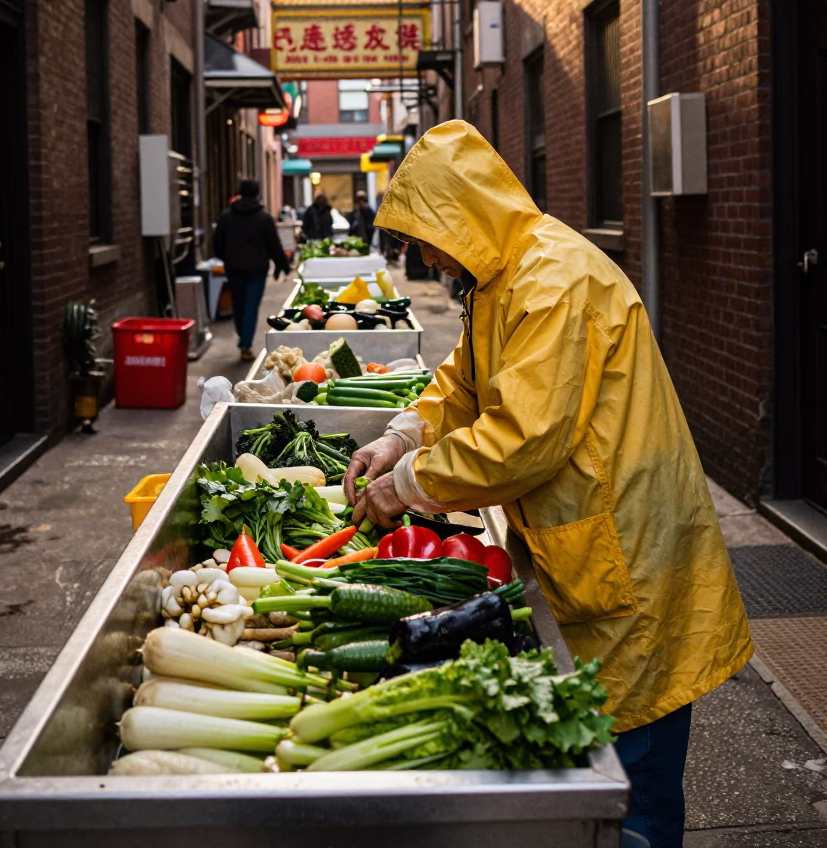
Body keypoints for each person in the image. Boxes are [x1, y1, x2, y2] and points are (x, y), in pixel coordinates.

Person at [344, 121, 752, 848]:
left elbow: (522, 441)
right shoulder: (502, 276)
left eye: (427, 237)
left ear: (460, 217)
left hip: (633, 550)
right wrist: (403, 432)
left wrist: (406, 485)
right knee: (616, 761)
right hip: (598, 543)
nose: (427, 256)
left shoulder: (553, 279)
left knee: (635, 786)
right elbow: (465, 389)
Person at [212, 179, 290, 361]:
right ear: (257, 193)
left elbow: (217, 244)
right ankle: (245, 343)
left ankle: (243, 337)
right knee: (251, 306)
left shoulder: (226, 216)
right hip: (257, 269)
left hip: (234, 268)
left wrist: (227, 259)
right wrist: (281, 265)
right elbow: (274, 245)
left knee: (238, 305)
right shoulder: (264, 217)